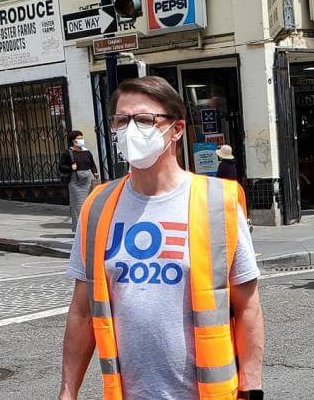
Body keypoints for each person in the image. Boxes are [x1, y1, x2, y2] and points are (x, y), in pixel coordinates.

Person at [60, 76, 264, 400]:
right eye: (121, 120)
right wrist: (67, 392)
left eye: (143, 120)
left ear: (177, 129)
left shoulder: (217, 202)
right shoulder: (97, 207)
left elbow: (247, 306)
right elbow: (82, 312)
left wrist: (251, 388)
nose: (130, 130)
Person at [59, 130, 98, 229]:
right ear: (73, 141)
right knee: (78, 205)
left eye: (82, 138)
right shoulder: (68, 153)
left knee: (89, 204)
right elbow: (61, 166)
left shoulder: (86, 151)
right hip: (75, 182)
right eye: (79, 138)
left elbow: (92, 164)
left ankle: (88, 227)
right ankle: (79, 228)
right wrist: (70, 168)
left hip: (87, 180)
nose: (81, 140)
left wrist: (95, 173)